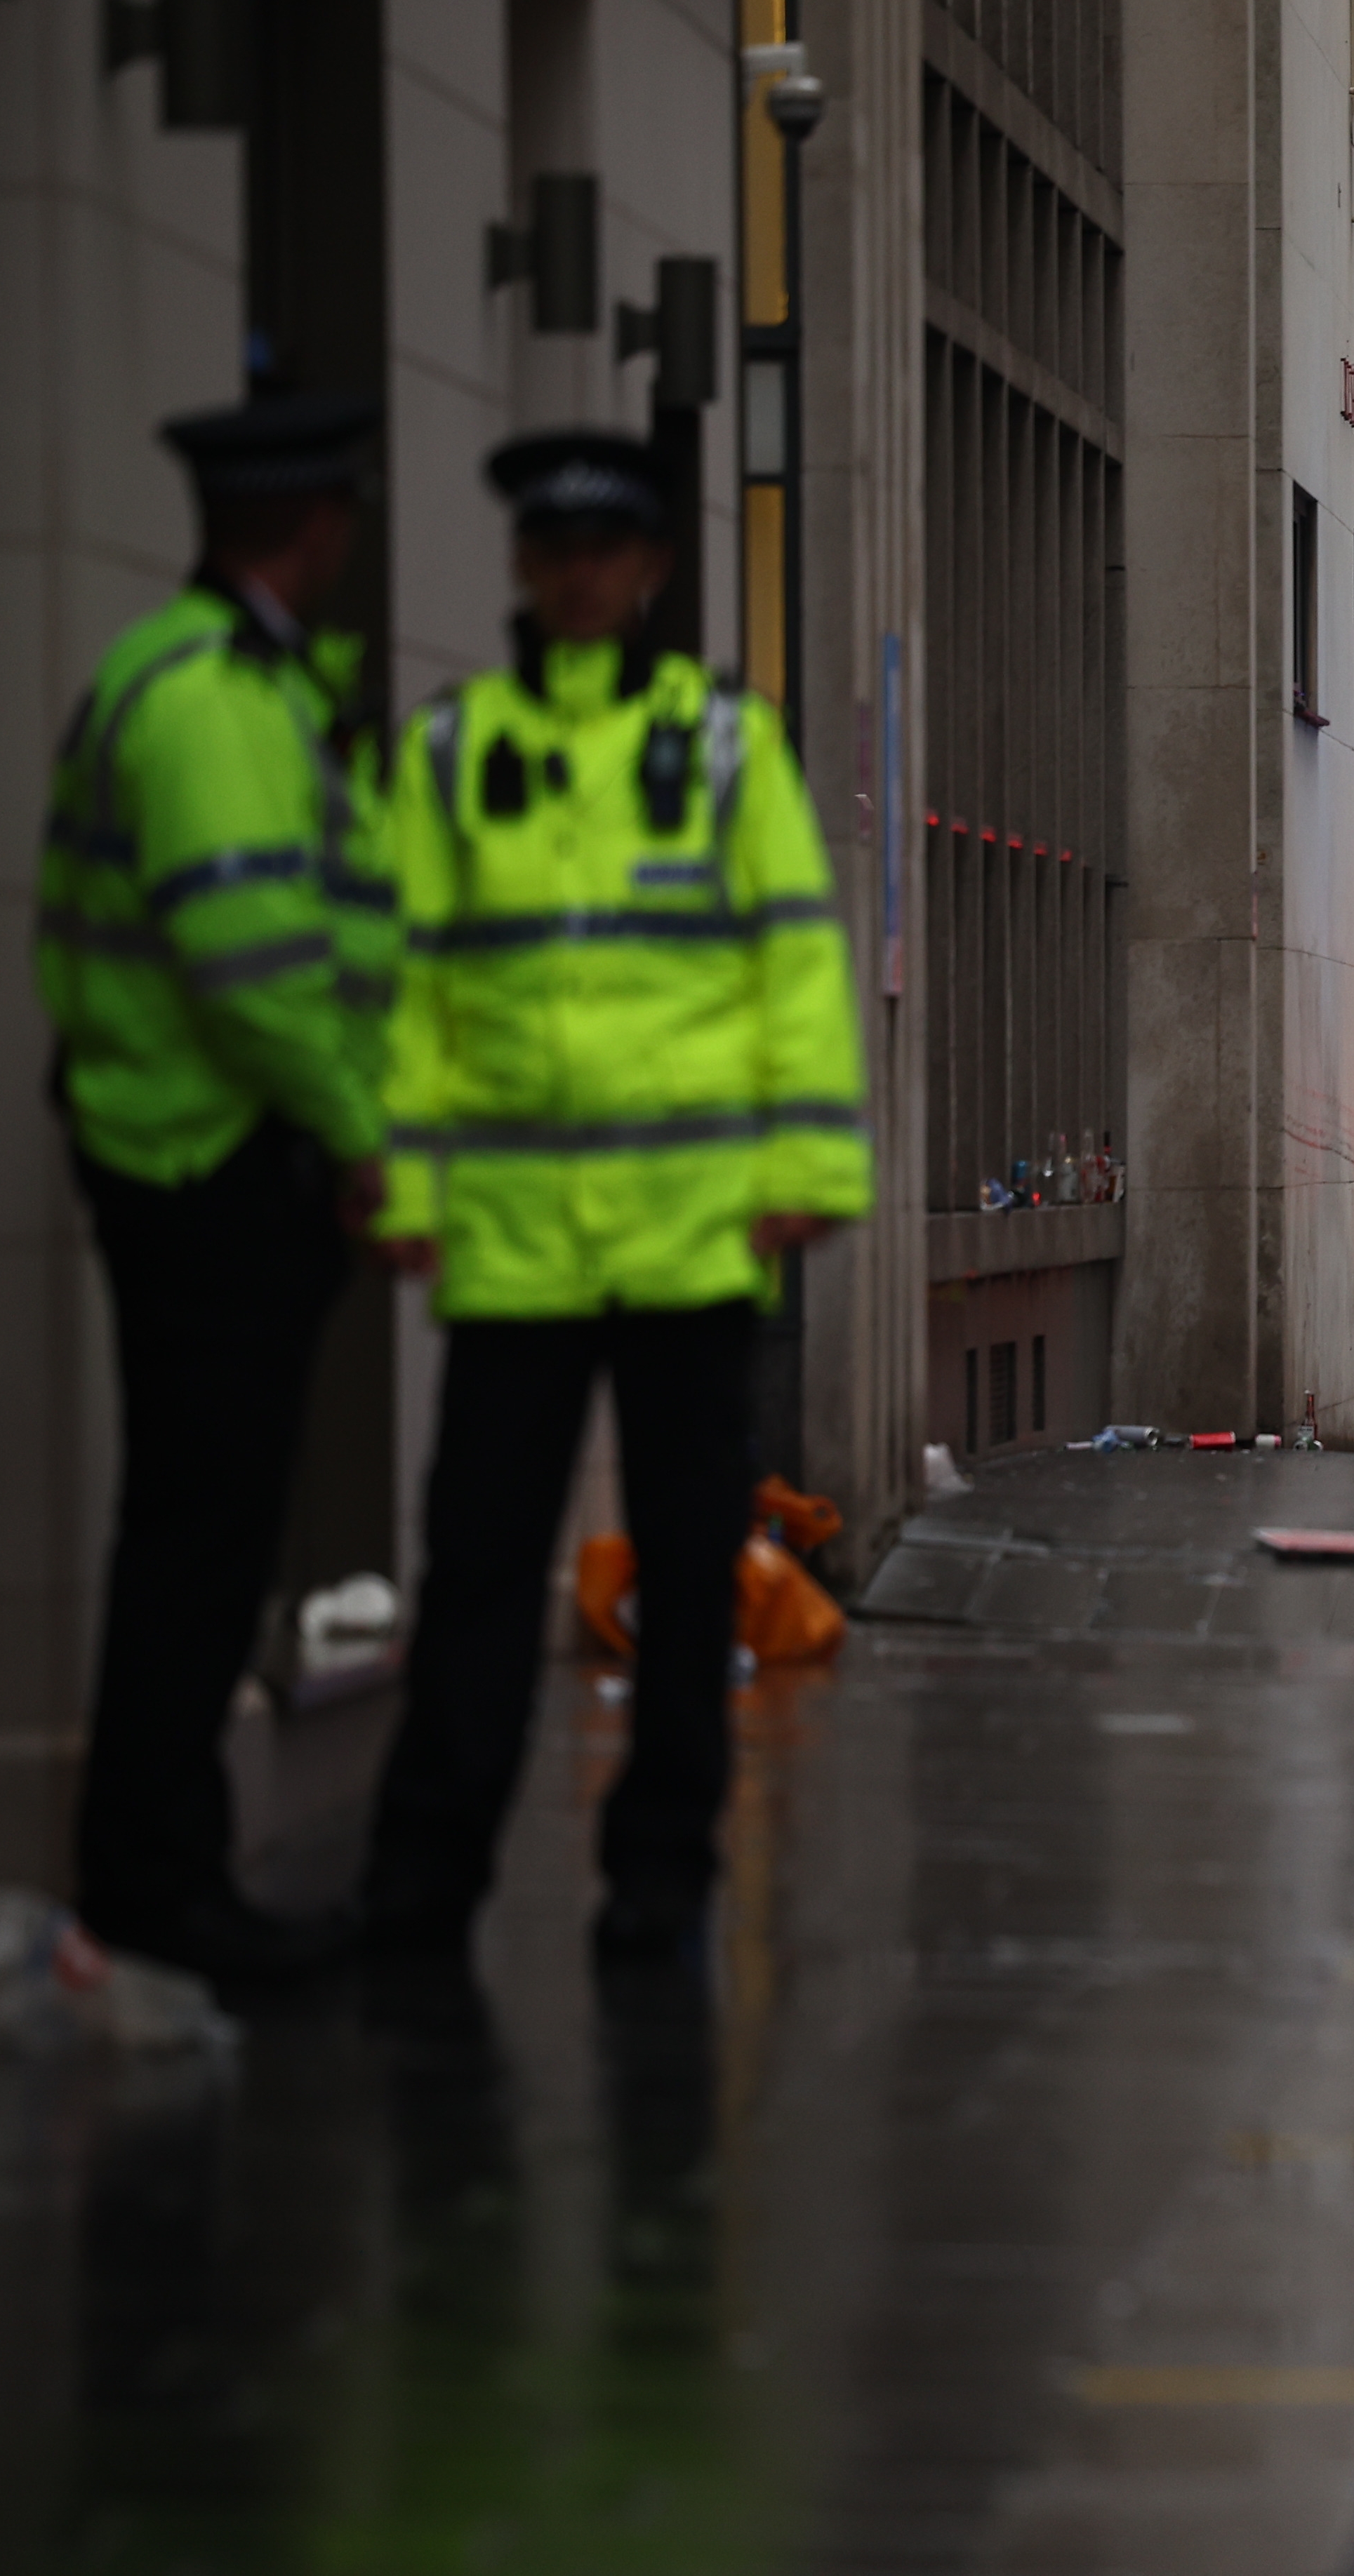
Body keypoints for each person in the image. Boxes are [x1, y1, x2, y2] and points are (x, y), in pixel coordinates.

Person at [361, 429, 872, 1968]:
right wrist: (399, 1175)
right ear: (527, 565)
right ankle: (423, 1881)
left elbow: (794, 960)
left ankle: (662, 1874)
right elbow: (404, 987)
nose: (582, 574)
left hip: (685, 1238)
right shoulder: (454, 754)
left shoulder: (721, 752)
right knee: (478, 1565)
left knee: (688, 1553)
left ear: (647, 568)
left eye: (609, 550)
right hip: (515, 1249)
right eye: (556, 549)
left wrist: (807, 1171)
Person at [34, 393, 397, 1982]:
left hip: (191, 1156)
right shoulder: (212, 704)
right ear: (316, 526)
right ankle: (158, 1888)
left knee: (196, 1528)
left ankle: (155, 1878)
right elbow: (253, 976)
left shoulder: (191, 680)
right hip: (210, 1166)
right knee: (200, 1534)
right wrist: (361, 1133)